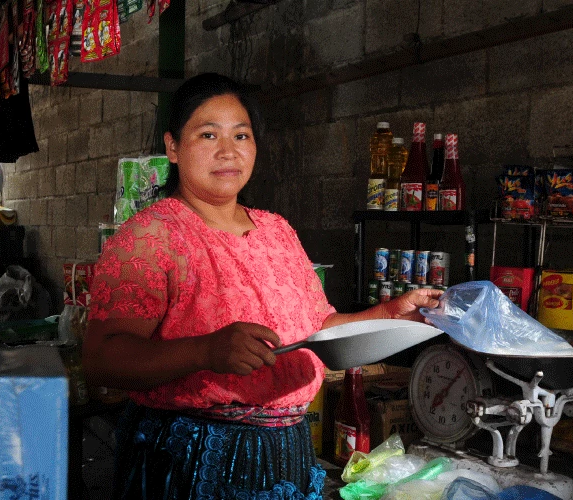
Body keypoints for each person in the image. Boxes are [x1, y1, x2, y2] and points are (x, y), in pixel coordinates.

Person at [84, 73, 443, 500]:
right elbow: (102, 358)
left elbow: (318, 324)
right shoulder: (150, 236)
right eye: (207, 134)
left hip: (288, 454)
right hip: (191, 463)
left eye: (241, 135)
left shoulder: (276, 230)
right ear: (173, 147)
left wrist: (388, 313)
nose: (227, 151)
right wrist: (206, 350)